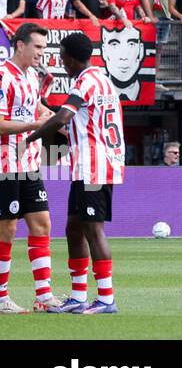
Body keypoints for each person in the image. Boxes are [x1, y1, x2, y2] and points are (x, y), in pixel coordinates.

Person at [31, 32, 125, 314]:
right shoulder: (104, 80)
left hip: (95, 167)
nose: (63, 63)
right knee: (74, 228)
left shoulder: (85, 82)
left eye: (63, 58)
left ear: (71, 59)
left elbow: (62, 118)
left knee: (93, 230)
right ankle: (78, 296)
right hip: (90, 165)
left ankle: (106, 299)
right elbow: (75, 125)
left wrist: (31, 137)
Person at [0, 24, 57, 313]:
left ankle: (44, 296)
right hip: (5, 163)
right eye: (37, 47)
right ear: (20, 45)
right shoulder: (2, 76)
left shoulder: (33, 76)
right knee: (7, 227)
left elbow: (36, 110)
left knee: (42, 223)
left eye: (43, 49)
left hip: (30, 162)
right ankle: (1, 297)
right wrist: (35, 125)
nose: (41, 53)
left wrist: (51, 116)